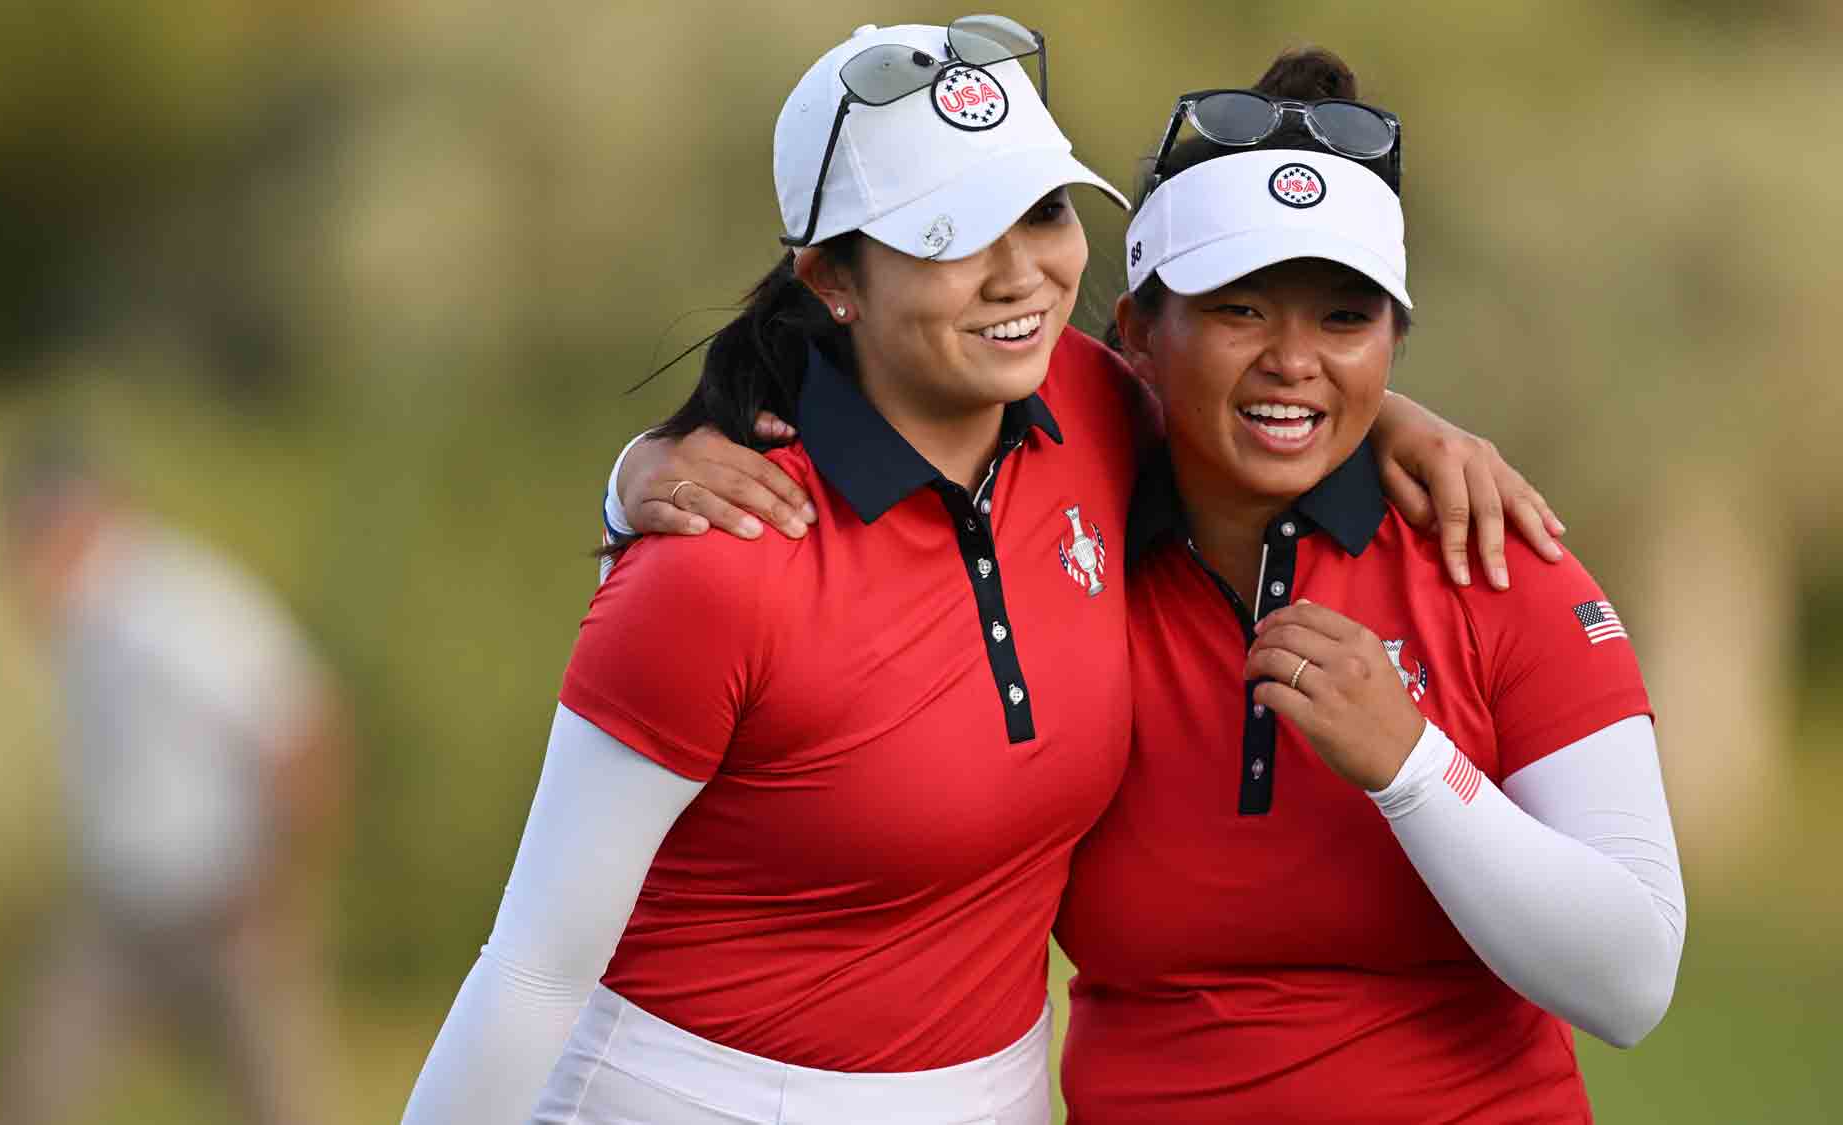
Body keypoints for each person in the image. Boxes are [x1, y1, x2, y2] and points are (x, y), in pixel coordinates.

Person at [403, 19, 1141, 1125]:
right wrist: (626, 488)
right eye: (951, 234)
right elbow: (532, 973)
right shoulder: (718, 567)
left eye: (1040, 211)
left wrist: (1419, 436)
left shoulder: (1094, 407)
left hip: (995, 1094)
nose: (1020, 274)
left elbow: (1283, 403)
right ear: (832, 279)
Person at [1050, 49, 1684, 1122]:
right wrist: (655, 470)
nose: (1293, 360)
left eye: (1343, 319)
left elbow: (1627, 982)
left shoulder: (1492, 559)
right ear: (1136, 337)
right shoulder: (1053, 530)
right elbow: (874, 354)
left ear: (1393, 343)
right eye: (1238, 309)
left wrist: (1408, 764)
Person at [0, 436, 347, 1125]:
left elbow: (306, 730)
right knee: (27, 1092)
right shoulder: (84, 620)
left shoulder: (172, 608)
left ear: (73, 525)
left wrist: (277, 885)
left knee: (281, 1106)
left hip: (225, 914)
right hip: (120, 912)